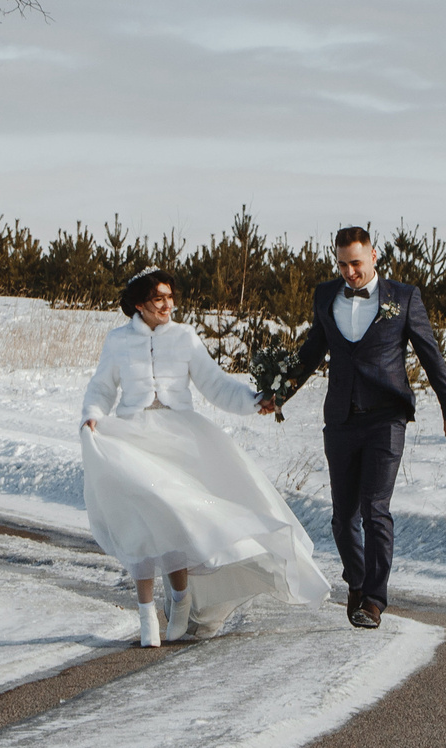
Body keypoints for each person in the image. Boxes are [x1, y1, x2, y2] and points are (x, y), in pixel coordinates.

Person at [80, 267, 328, 647]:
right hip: (134, 437)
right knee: (140, 523)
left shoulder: (184, 338)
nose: (167, 305)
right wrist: (93, 417)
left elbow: (215, 384)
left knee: (175, 517)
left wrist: (252, 401)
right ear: (138, 304)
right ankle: (146, 613)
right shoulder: (117, 342)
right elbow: (101, 387)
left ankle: (180, 600)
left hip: (180, 438)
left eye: (170, 296)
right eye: (158, 298)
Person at [257, 227, 446, 628]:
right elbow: (310, 353)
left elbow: (431, 354)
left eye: (356, 263)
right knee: (342, 518)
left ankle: (373, 600)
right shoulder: (326, 296)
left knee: (375, 510)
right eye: (342, 264)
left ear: (374, 256)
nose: (349, 272)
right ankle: (356, 581)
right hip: (340, 419)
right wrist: (279, 394)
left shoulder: (403, 298)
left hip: (386, 417)